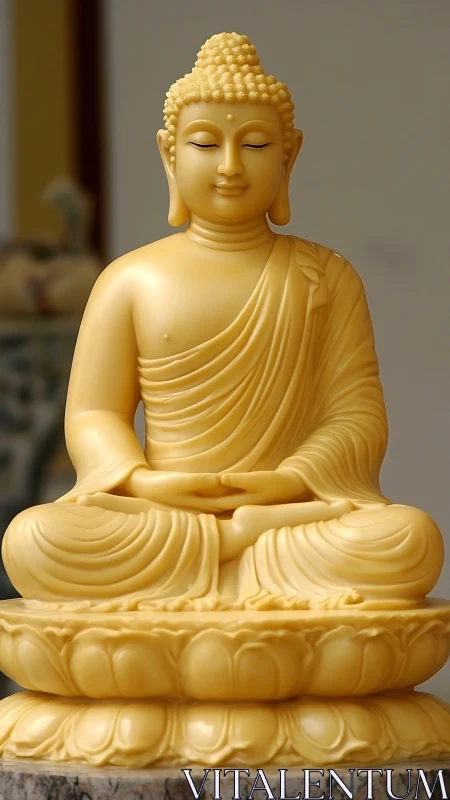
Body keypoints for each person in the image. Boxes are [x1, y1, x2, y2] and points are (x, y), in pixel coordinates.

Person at [2, 33, 443, 611]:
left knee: (408, 541)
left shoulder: (326, 277)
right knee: (35, 540)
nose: (231, 166)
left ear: (290, 155)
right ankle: (235, 552)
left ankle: (232, 557)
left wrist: (288, 481)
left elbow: (356, 416)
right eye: (206, 144)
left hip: (285, 518)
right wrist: (139, 481)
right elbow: (93, 414)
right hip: (164, 517)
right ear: (169, 154)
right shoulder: (130, 280)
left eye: (256, 144)